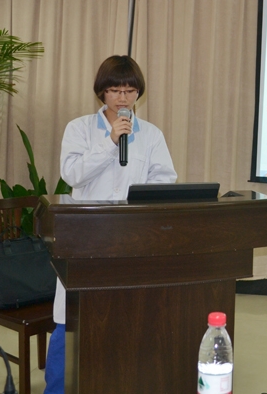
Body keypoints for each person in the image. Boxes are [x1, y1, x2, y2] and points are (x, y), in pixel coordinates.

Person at [44, 55, 177, 394]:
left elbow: (165, 181)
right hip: (85, 239)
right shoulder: (79, 129)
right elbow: (72, 175)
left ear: (138, 93)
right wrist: (109, 143)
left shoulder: (151, 135)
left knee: (126, 320)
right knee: (70, 321)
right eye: (115, 90)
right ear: (102, 92)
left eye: (130, 91)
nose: (122, 98)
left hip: (132, 240)